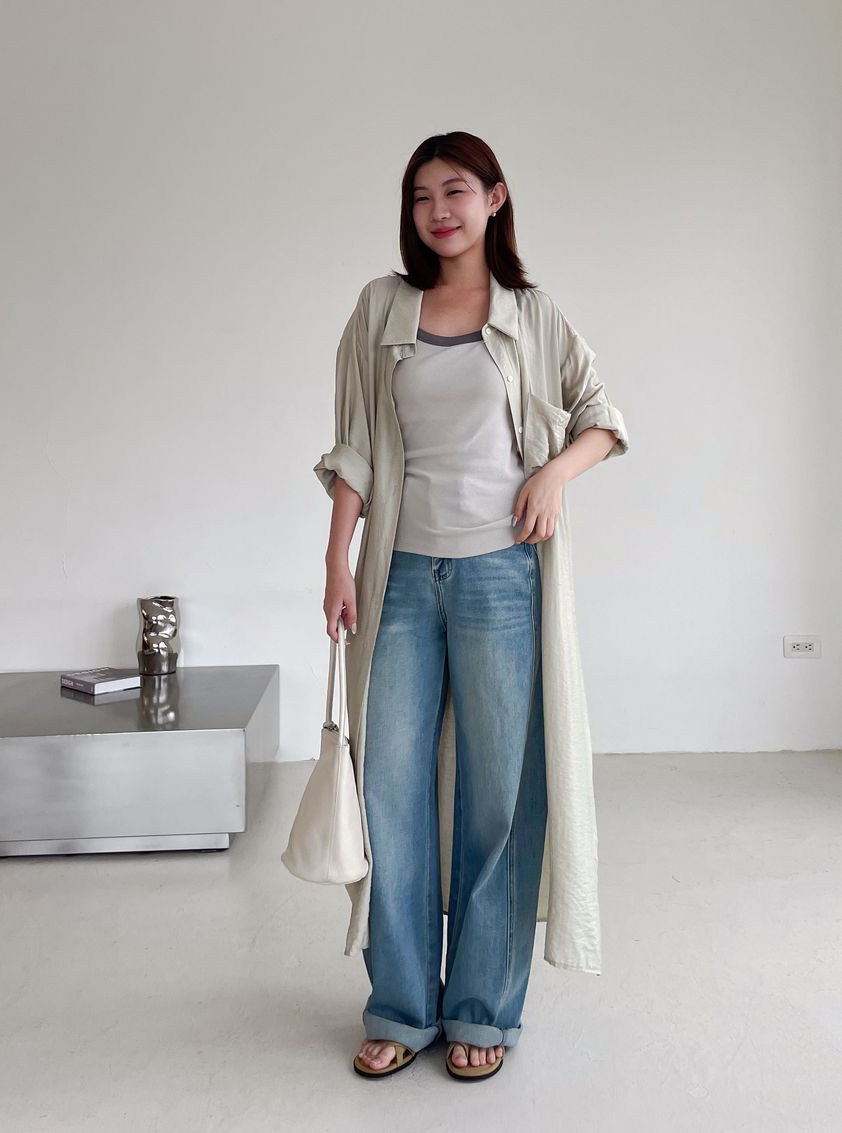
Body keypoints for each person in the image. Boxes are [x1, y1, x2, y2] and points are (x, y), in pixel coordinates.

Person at [316, 131, 629, 1082]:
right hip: (401, 580)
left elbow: (602, 416)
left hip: (501, 578)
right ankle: (402, 1005)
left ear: (495, 198)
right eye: (421, 196)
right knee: (391, 791)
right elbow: (356, 445)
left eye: (455, 191)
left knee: (499, 795)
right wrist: (337, 558)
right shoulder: (381, 308)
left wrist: (554, 474)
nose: (437, 211)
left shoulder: (533, 315)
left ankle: (483, 1008)